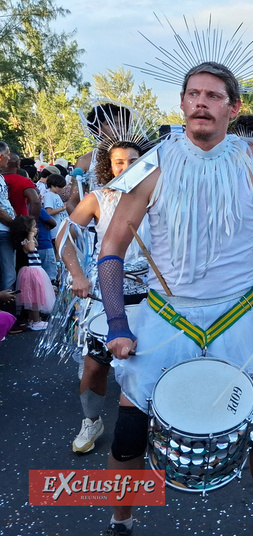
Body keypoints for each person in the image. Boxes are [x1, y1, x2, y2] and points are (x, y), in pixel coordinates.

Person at [97, 61, 253, 536]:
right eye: (193, 94)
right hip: (166, 317)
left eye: (213, 95)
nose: (201, 103)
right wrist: (118, 323)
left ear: (233, 107)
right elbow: (112, 249)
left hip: (238, 315)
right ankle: (120, 522)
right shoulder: (152, 166)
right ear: (183, 103)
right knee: (130, 430)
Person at [58, 138, 150, 455]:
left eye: (133, 160)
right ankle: (91, 421)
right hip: (105, 295)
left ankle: (156, 423)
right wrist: (78, 275)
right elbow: (64, 235)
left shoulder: (161, 196)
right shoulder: (98, 198)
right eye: (119, 162)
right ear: (108, 167)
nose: (126, 167)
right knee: (96, 366)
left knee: (154, 361)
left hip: (153, 294)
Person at [10, 215, 54, 330]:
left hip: (35, 271)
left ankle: (33, 320)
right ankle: (35, 321)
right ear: (26, 229)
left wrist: (32, 236)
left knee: (35, 297)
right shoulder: (25, 241)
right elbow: (30, 248)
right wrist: (30, 235)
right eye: (34, 227)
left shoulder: (30, 240)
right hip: (30, 272)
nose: (36, 229)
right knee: (33, 298)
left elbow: (35, 245)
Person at [2, 151, 41, 217]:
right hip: (21, 219)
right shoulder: (24, 181)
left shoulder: (2, 180)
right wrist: (33, 220)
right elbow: (35, 202)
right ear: (18, 164)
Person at [0, 143, 17, 291]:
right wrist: (15, 224)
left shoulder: (1, 177)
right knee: (8, 273)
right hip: (2, 230)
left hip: (6, 229)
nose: (9, 158)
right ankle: (6, 302)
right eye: (7, 154)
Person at [43, 174, 69, 240]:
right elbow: (49, 211)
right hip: (56, 231)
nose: (61, 189)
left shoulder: (56, 195)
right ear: (53, 185)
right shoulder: (49, 195)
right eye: (60, 186)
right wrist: (63, 208)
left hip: (62, 228)